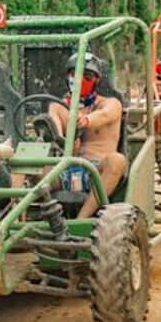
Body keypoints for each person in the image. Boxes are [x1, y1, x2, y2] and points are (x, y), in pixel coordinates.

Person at [48, 52, 125, 218]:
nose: (80, 80)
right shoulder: (58, 106)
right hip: (66, 168)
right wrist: (61, 135)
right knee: (24, 159)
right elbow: (58, 137)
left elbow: (105, 115)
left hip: (98, 171)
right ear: (68, 76)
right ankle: (17, 218)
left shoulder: (111, 103)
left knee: (117, 160)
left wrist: (87, 120)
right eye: (75, 74)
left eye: (87, 76)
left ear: (96, 80)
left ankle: (81, 219)